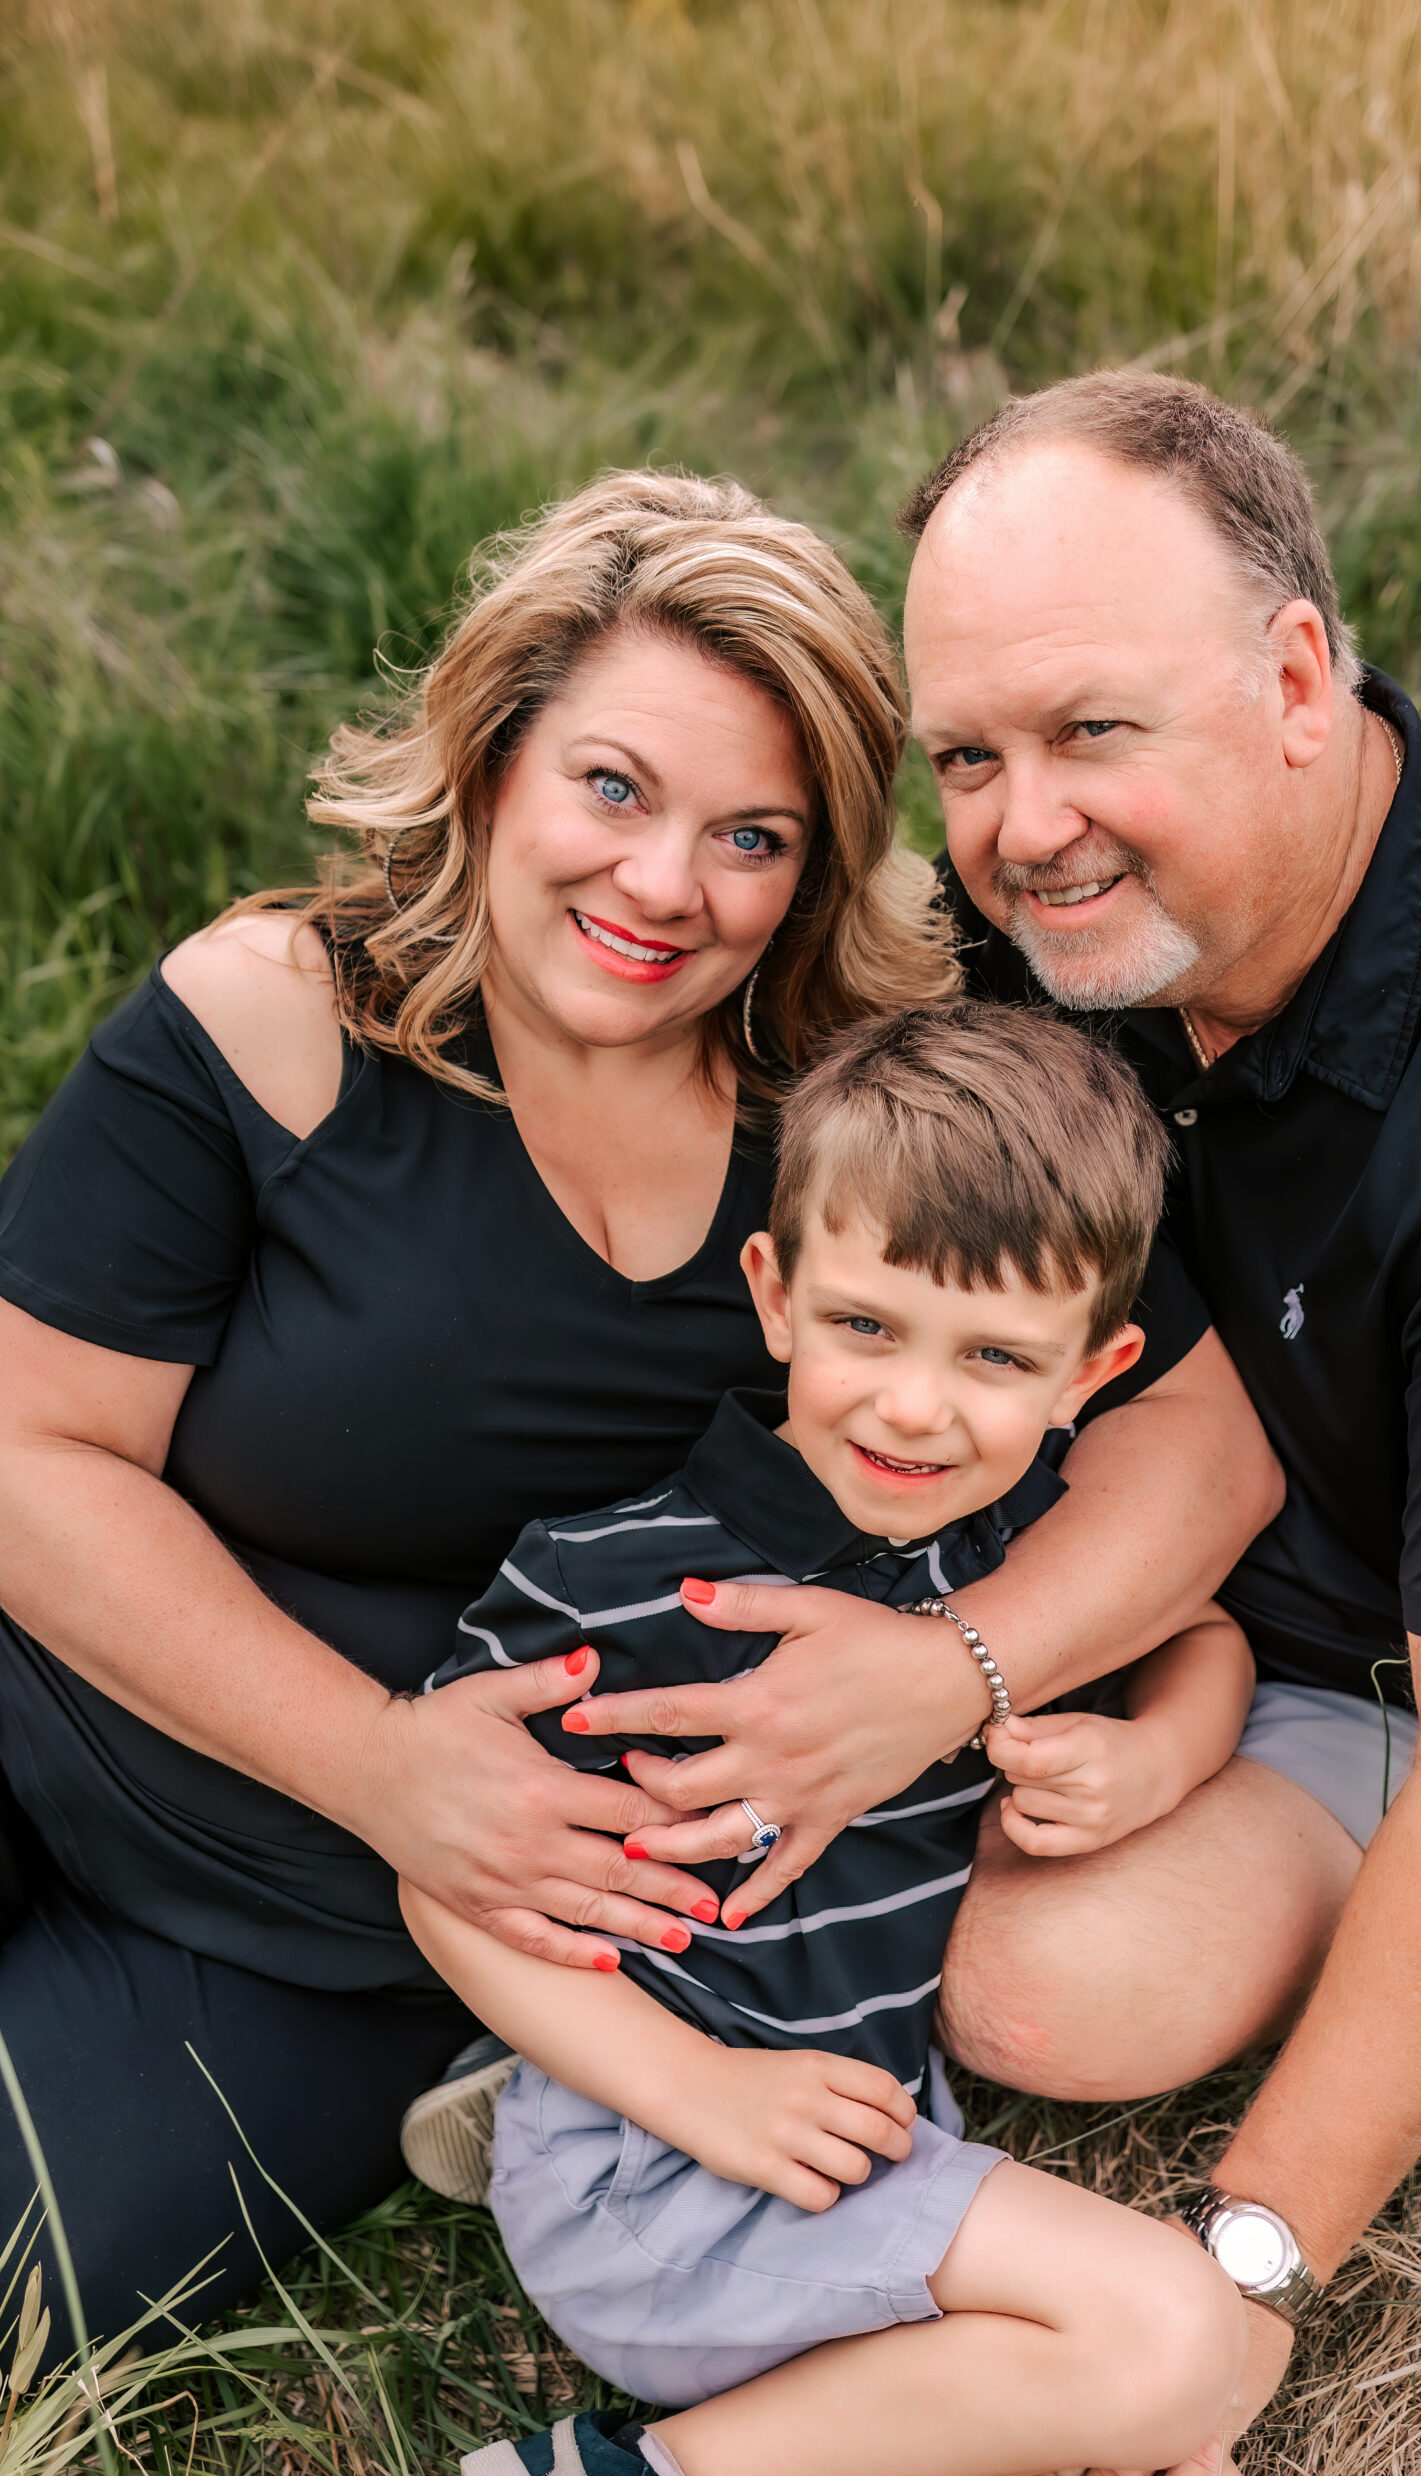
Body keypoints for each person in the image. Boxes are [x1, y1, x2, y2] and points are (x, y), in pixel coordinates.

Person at [569, 371, 1421, 2476]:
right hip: (1200, 1584)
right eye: (969, 757)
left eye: (1091, 733)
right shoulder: (1031, 930)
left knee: (1052, 1988)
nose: (1021, 826)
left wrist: (1241, 2274)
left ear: (1295, 679)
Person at [0, 465, 1276, 2346]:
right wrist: (378, 1762)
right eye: (612, 787)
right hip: (76, 1713)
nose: (665, 886)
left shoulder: (860, 1124)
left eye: (752, 837)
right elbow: (31, 1455)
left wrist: (958, 1672)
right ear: (499, 756)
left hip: (397, 1941)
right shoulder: (281, 1022)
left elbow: (1206, 1438)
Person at [402, 1005, 1261, 2476]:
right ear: (776, 1297)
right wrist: (698, 2093)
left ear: (1098, 1370)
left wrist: (1157, 1756)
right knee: (1177, 2340)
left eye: (997, 1357)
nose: (917, 1407)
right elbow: (439, 1870)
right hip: (658, 2162)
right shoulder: (630, 1584)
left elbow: (1198, 1635)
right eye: (869, 1327)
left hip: (869, 2157)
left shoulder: (1018, 1565)